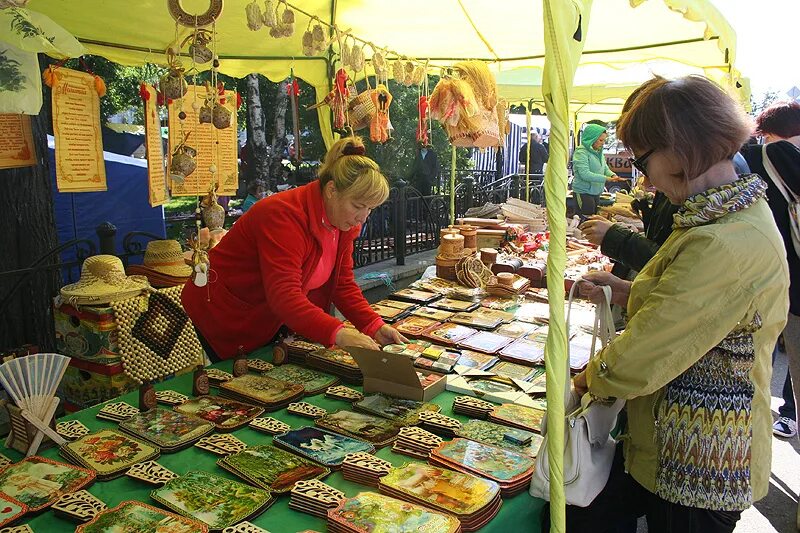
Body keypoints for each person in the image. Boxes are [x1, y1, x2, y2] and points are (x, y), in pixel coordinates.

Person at [565, 75, 789, 533]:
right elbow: (700, 306)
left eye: (643, 160)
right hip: (682, 442)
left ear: (681, 149)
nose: (644, 179)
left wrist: (586, 381)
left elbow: (649, 350)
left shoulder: (724, 239)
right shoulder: (724, 214)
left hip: (701, 458)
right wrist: (629, 291)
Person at [182, 136, 407, 361]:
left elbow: (342, 283)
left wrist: (373, 325)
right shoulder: (284, 216)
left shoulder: (343, 221)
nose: (363, 218)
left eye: (370, 208)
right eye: (358, 206)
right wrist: (338, 333)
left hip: (268, 317)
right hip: (224, 314)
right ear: (331, 190)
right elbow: (285, 295)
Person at [741, 100, 800, 440]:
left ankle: (778, 418)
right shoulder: (785, 155)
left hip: (772, 278)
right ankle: (789, 414)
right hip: (790, 281)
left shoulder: (767, 155)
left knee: (761, 360)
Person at [571, 123, 626, 215]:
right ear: (591, 139)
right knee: (586, 219)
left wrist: (613, 175)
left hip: (596, 192)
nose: (603, 143)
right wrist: (606, 178)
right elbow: (585, 174)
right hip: (583, 192)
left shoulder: (598, 152)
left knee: (594, 218)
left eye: (604, 140)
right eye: (600, 140)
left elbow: (605, 168)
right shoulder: (581, 153)